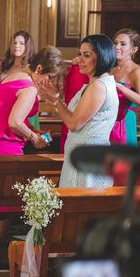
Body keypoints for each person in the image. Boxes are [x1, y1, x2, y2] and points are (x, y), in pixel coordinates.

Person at [0, 46, 64, 192]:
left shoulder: (19, 73)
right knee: (5, 193)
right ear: (39, 68)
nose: (50, 82)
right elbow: (14, 122)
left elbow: (8, 110)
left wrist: (33, 129)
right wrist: (34, 137)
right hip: (2, 141)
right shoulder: (29, 88)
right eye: (50, 77)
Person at [38, 34, 118, 188]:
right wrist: (55, 96)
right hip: (80, 152)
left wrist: (55, 100)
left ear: (101, 57)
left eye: (86, 55)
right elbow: (73, 115)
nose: (79, 60)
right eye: (79, 54)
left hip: (87, 157)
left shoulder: (99, 87)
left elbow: (74, 123)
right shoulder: (93, 84)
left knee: (81, 207)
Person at [110, 29, 140, 146]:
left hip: (125, 122)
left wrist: (120, 87)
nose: (117, 47)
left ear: (134, 49)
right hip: (109, 120)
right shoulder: (112, 70)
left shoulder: (136, 71)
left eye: (123, 44)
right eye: (115, 43)